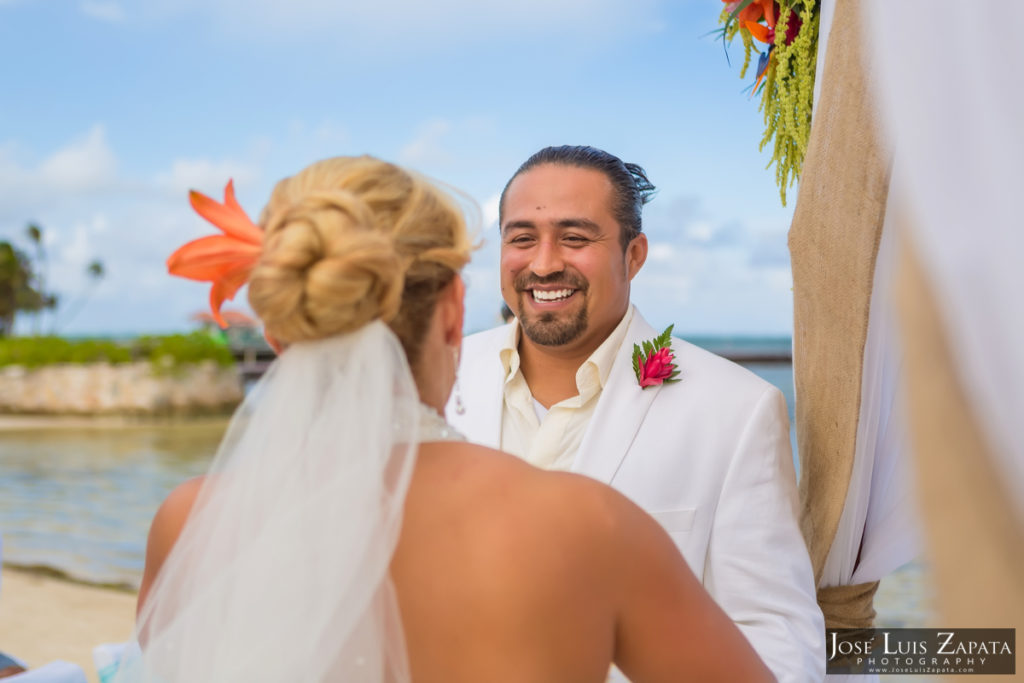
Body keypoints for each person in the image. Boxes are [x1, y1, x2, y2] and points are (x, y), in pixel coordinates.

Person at [122, 156, 774, 682]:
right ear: (454, 311)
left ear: (284, 327)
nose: (545, 260)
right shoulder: (593, 526)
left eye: (574, 236)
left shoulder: (188, 524)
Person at [447, 145, 824, 682]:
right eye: (522, 238)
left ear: (634, 255)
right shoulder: (434, 383)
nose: (544, 262)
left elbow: (776, 635)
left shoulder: (737, 410)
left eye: (575, 238)